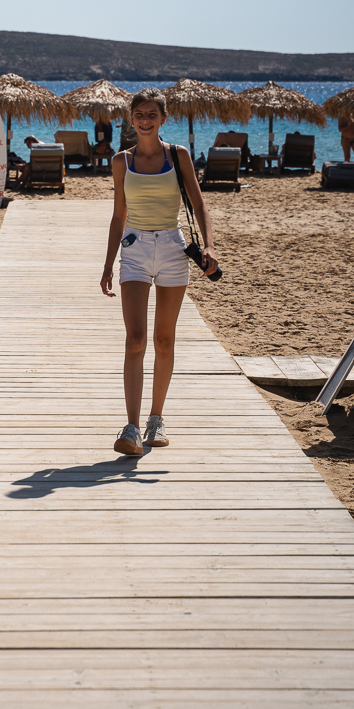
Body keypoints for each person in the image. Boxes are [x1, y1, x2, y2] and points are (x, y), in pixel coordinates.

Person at [101, 88, 219, 456]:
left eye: (152, 114)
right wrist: (107, 264)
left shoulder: (177, 155)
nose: (146, 120)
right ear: (131, 118)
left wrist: (210, 246)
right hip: (134, 250)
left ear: (162, 119)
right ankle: (132, 426)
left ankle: (156, 419)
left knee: (164, 340)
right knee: (135, 340)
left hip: (172, 248)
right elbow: (119, 214)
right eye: (139, 114)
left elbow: (199, 203)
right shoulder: (121, 160)